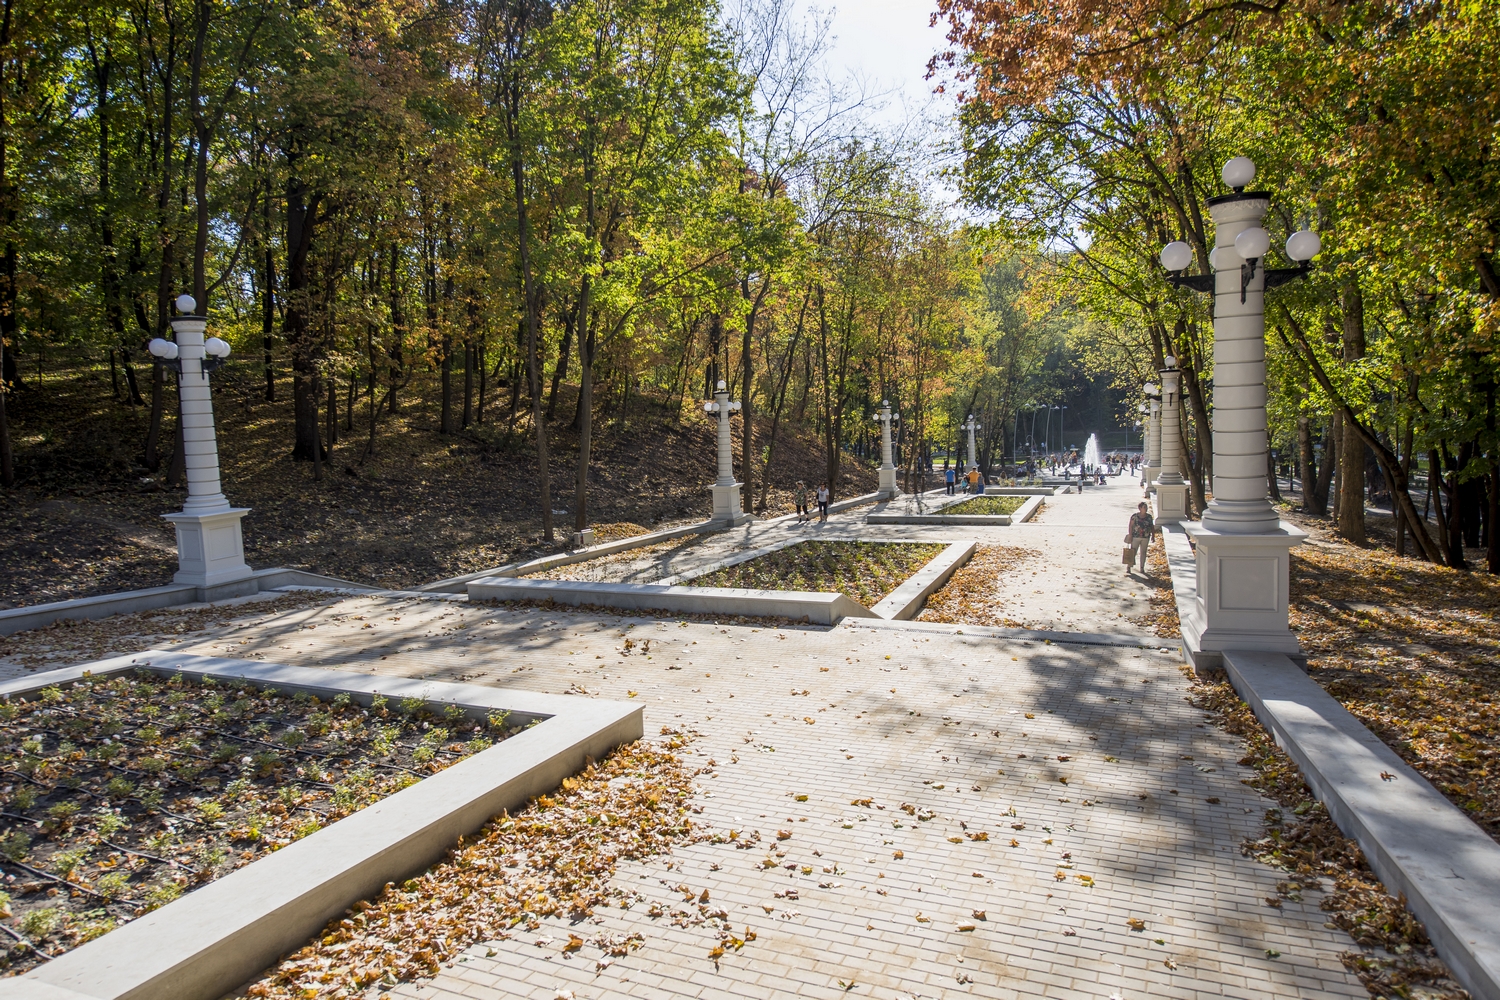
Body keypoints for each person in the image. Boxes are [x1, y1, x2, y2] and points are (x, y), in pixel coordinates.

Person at [1125, 501, 1154, 574]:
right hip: (1136, 537)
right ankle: (1129, 566)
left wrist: (1153, 536)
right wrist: (1130, 535)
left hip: (1145, 537)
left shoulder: (1149, 517)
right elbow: (1130, 525)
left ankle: (1142, 568)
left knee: (1143, 553)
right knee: (1133, 552)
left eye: (1146, 507)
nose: (1146, 509)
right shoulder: (1134, 516)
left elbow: (1152, 527)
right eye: (1144, 507)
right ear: (1140, 508)